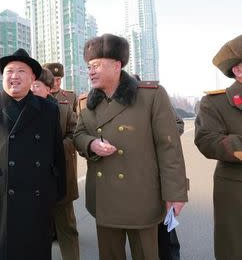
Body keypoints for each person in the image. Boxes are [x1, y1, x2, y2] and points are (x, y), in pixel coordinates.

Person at [73, 34, 188, 260]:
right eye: (88, 66)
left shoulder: (151, 96)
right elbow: (78, 134)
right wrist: (91, 143)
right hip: (104, 200)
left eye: (96, 65)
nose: (90, 71)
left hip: (142, 197)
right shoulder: (85, 102)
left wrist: (175, 194)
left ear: (117, 65)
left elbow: (169, 149)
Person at [0, 48, 66, 260]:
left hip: (35, 193)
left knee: (32, 248)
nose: (14, 76)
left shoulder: (49, 109)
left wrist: (58, 189)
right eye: (9, 71)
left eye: (21, 71)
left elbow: (57, 153)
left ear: (33, 77)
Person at [194, 34, 242, 259]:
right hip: (235, 188)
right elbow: (207, 140)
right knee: (233, 247)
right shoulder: (216, 102)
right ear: (238, 71)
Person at [133, 74, 184, 260]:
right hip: (136, 176)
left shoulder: (156, 100)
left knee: (165, 225)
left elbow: (177, 124)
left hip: (158, 170)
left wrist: (161, 137)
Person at [31, 68, 80, 260]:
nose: (32, 89)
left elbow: (74, 134)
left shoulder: (63, 107)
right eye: (31, 85)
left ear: (48, 88)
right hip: (32, 181)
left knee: (66, 226)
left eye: (37, 85)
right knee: (36, 230)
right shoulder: (21, 108)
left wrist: (57, 147)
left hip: (60, 175)